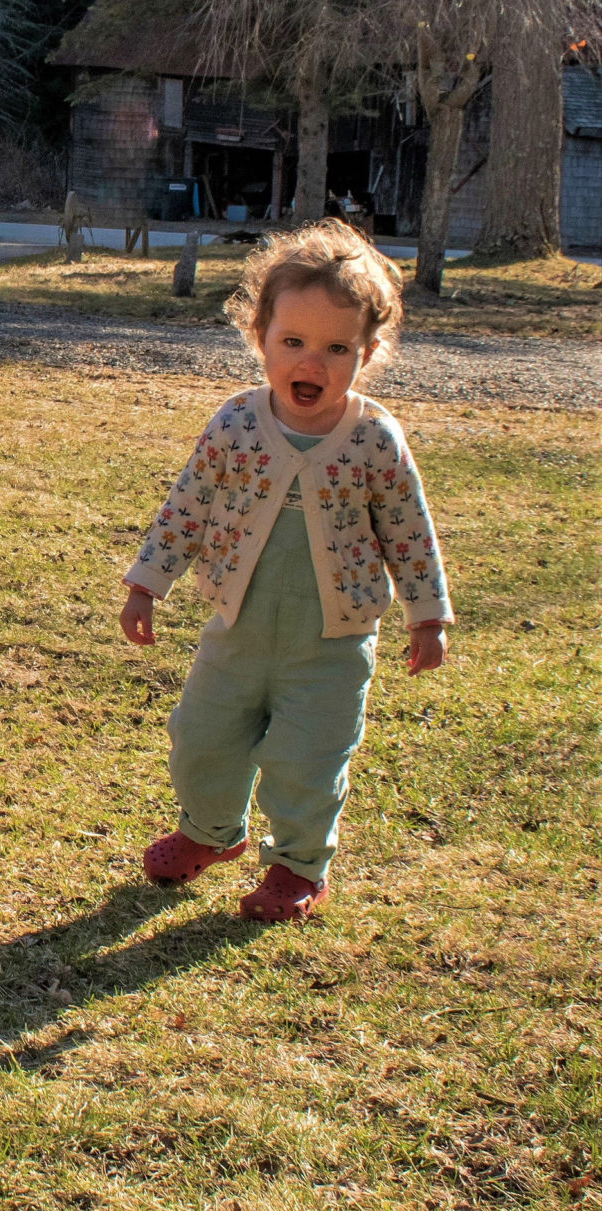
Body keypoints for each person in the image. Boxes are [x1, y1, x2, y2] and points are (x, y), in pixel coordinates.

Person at [118, 219, 452, 921]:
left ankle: (299, 866)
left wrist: (428, 615)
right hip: (237, 631)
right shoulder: (237, 424)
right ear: (260, 336)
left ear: (370, 350)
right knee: (202, 739)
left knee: (308, 761)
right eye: (293, 342)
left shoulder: (373, 438)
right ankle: (210, 831)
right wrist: (148, 582)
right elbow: (188, 506)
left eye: (337, 348)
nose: (313, 363)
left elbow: (409, 531)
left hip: (329, 645)